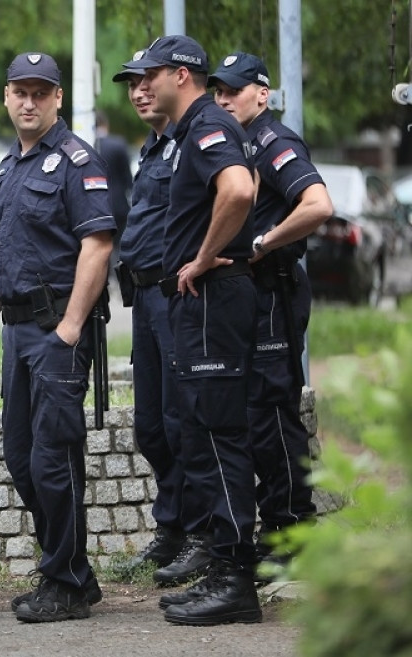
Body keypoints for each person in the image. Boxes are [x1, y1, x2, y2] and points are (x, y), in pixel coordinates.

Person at [0, 52, 114, 624]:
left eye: (40, 92)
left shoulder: (78, 161)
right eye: (19, 92)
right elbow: (0, 250)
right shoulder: (9, 166)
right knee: (22, 457)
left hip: (57, 329)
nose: (28, 102)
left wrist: (71, 326)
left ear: (57, 98)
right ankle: (71, 569)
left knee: (55, 460)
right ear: (6, 97)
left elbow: (98, 244)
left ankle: (65, 581)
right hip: (17, 329)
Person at [131, 35, 261, 626]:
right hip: (194, 304)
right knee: (201, 435)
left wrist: (205, 255)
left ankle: (236, 580)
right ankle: (222, 569)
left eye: (151, 73)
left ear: (181, 75)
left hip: (212, 298)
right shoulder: (184, 135)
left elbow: (238, 190)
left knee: (217, 434)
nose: (143, 84)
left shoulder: (208, 124)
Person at [209, 53, 333, 574]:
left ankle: (293, 531)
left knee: (272, 415)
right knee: (253, 414)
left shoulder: (272, 141)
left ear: (263, 93)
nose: (222, 99)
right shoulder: (238, 144)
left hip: (273, 291)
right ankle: (278, 525)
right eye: (217, 91)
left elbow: (318, 206)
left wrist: (262, 241)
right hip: (248, 296)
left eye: (233, 91)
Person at [110, 55, 210, 582]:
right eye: (132, 84)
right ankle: (171, 528)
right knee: (151, 425)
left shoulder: (195, 140)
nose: (139, 91)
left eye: (147, 81)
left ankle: (201, 533)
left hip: (179, 297)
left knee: (183, 421)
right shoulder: (151, 149)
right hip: (146, 300)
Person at [94, 109, 133, 255]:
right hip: (118, 204)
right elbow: (127, 178)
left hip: (93, 206)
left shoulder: (84, 144)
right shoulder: (118, 144)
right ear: (106, 124)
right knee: (117, 247)